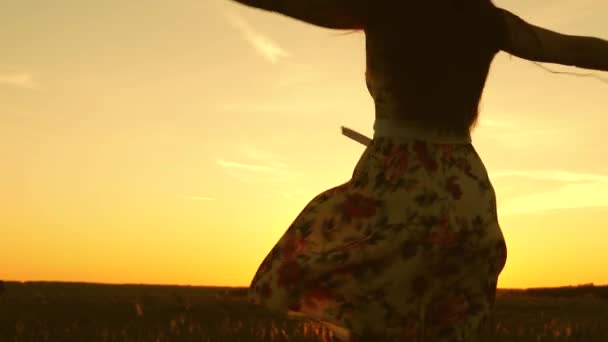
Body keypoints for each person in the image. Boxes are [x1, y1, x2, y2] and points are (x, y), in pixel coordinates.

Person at [227, 0, 608, 340]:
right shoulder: (484, 18)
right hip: (464, 189)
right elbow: (574, 49)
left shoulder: (385, 7)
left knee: (371, 307)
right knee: (444, 320)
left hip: (398, 181)